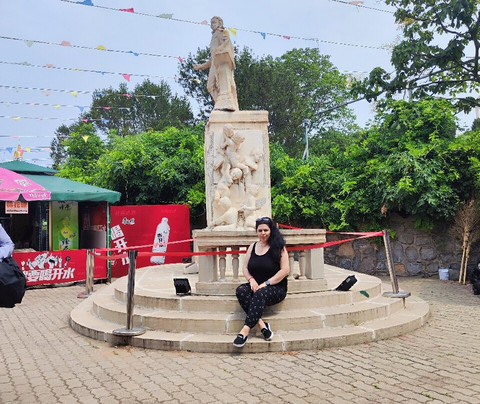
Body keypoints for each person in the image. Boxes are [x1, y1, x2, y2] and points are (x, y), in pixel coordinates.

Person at [233, 217, 290, 347]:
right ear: (256, 231)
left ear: (271, 230)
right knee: (241, 290)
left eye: (266, 230)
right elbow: (245, 268)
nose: (263, 233)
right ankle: (262, 325)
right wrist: (251, 280)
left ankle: (245, 330)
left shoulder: (278, 247)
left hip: (276, 287)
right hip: (256, 285)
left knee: (260, 293)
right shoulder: (252, 246)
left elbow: (285, 270)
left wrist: (266, 283)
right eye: (260, 230)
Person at [193, 16, 239, 111]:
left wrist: (219, 49)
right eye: (211, 23)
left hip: (221, 63)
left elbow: (227, 42)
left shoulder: (220, 32)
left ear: (219, 23)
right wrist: (200, 67)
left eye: (214, 22)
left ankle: (226, 102)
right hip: (214, 64)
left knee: (222, 84)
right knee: (210, 86)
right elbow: (212, 60)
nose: (212, 25)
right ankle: (221, 104)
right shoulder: (214, 35)